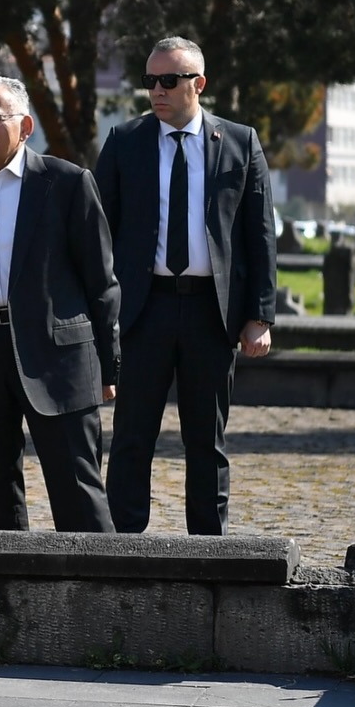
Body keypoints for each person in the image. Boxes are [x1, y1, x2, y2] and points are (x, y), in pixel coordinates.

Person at [93, 36, 277, 536]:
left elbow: (259, 232)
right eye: (150, 81)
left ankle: (209, 547)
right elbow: (98, 230)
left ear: (198, 83)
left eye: (168, 81)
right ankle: (123, 544)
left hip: (211, 313)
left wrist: (259, 315)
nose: (157, 90)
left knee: (206, 440)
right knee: (132, 436)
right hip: (143, 309)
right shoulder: (124, 141)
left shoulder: (239, 142)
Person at [0, 76, 120, 532]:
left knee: (78, 492)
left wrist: (109, 368)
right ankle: (4, 597)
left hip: (58, 355)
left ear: (26, 126)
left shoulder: (67, 183)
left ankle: (100, 594)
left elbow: (102, 282)